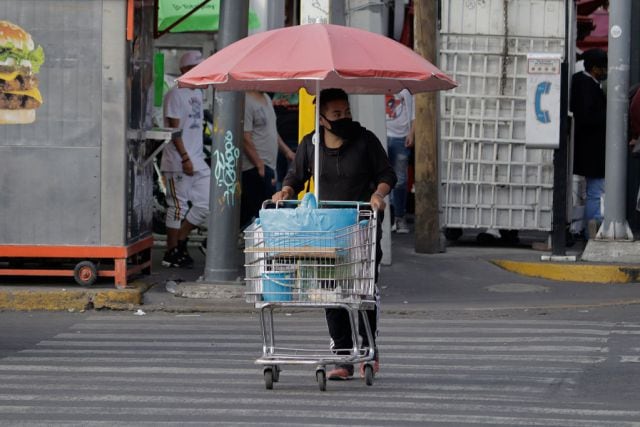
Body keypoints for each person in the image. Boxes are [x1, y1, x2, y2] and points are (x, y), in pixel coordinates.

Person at [272, 88, 397, 381]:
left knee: (363, 290)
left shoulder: (365, 141)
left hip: (362, 226)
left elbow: (387, 174)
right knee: (331, 289)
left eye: (347, 113)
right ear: (322, 118)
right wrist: (286, 191)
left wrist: (378, 194)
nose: (344, 119)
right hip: (327, 228)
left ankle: (368, 349)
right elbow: (296, 177)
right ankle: (342, 356)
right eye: (337, 114)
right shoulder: (310, 145)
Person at [161, 51, 210, 268]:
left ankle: (180, 239)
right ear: (184, 70)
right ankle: (171, 251)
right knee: (177, 206)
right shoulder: (175, 94)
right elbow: (174, 130)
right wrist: (184, 157)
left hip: (197, 159)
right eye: (195, 68)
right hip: (179, 161)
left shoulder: (197, 94)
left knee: (206, 203)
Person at [241, 91, 293, 228]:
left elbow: (272, 131)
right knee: (269, 211)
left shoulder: (266, 99)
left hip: (268, 165)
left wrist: (287, 152)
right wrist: (259, 165)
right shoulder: (246, 100)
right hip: (254, 167)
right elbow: (245, 137)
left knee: (247, 211)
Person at [570, 48, 608, 239]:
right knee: (596, 191)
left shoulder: (580, 82)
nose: (605, 72)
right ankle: (592, 232)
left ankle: (587, 229)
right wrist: (609, 116)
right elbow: (588, 116)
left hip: (586, 148)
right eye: (603, 68)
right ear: (594, 69)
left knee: (592, 190)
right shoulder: (588, 87)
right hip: (593, 149)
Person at [385, 89, 415, 234]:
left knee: (400, 179)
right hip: (381, 133)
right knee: (383, 177)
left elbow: (414, 110)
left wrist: (412, 132)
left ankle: (399, 216)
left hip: (401, 137)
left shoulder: (405, 86)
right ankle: (387, 217)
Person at [272, 92, 299, 189]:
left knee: (294, 178)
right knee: (279, 178)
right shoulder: (271, 93)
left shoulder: (305, 91)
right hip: (278, 141)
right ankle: (281, 201)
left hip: (298, 141)